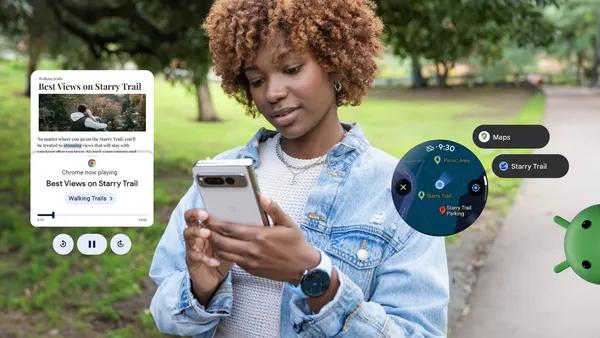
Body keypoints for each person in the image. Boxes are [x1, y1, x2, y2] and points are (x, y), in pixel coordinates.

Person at [149, 0, 450, 337]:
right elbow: (166, 313)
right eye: (257, 79)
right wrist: (201, 288)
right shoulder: (221, 173)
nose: (273, 93)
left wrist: (315, 277)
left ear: (336, 62)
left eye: (292, 69)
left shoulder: (401, 191)